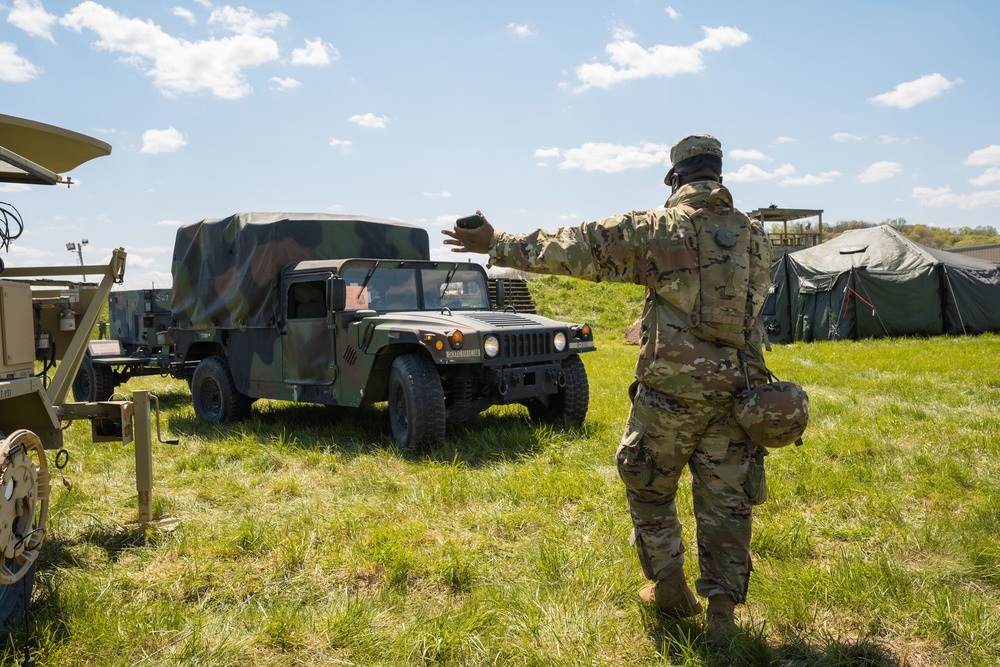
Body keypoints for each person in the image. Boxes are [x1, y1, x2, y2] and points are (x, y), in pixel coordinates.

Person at [442, 135, 774, 645]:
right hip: (739, 394)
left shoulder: (658, 227)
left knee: (647, 485)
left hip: (669, 396)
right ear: (719, 174)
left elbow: (578, 247)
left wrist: (497, 243)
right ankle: (722, 618)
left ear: (676, 179)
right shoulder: (755, 236)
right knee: (727, 503)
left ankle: (670, 588)